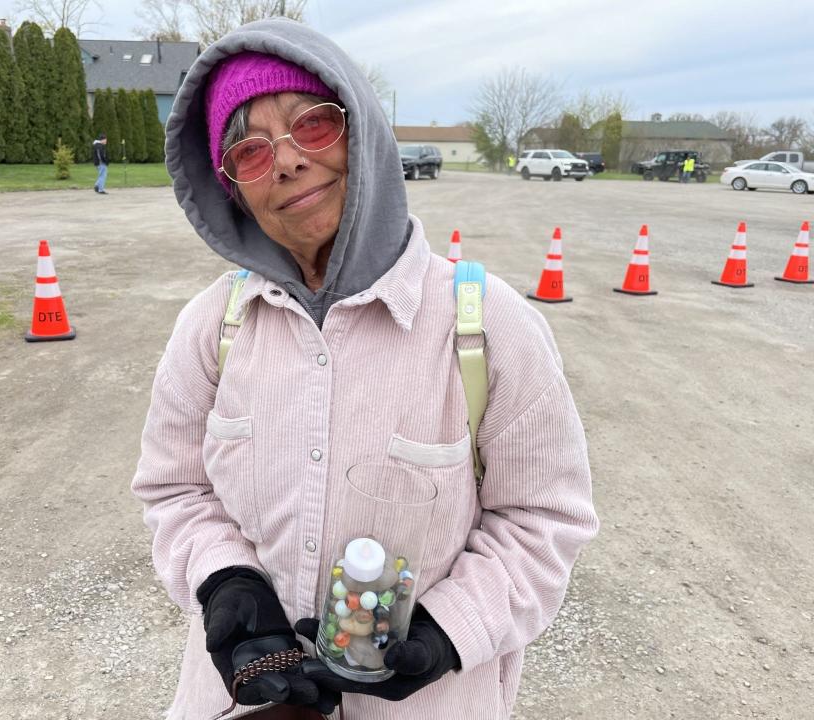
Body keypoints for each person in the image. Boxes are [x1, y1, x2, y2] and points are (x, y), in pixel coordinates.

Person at [131, 17, 599, 720]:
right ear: (232, 190)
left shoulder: (486, 324)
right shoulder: (212, 328)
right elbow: (175, 490)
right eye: (250, 152)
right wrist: (224, 578)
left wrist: (450, 631)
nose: (285, 161)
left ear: (364, 131)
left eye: (312, 125)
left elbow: (542, 520)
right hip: (244, 703)